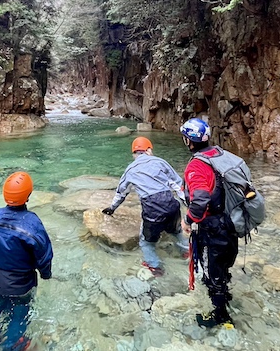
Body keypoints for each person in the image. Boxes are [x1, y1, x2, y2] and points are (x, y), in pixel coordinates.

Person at [0, 171, 53, 351]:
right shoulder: (32, 223)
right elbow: (44, 254)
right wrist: (46, 274)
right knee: (20, 314)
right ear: (28, 195)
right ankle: (12, 345)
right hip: (22, 283)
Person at [180, 117, 239, 328]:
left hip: (213, 227)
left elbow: (201, 200)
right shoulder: (219, 155)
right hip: (231, 221)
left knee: (211, 271)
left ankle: (220, 316)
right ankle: (225, 292)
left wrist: (188, 220)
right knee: (222, 264)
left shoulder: (197, 165)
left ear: (189, 141)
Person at [102, 136, 187, 277]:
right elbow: (178, 186)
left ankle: (155, 267)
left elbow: (121, 193)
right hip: (171, 204)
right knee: (176, 231)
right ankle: (186, 252)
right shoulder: (161, 162)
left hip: (152, 207)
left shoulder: (130, 170)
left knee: (146, 242)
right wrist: (190, 206)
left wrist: (112, 208)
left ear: (134, 154)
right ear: (148, 150)